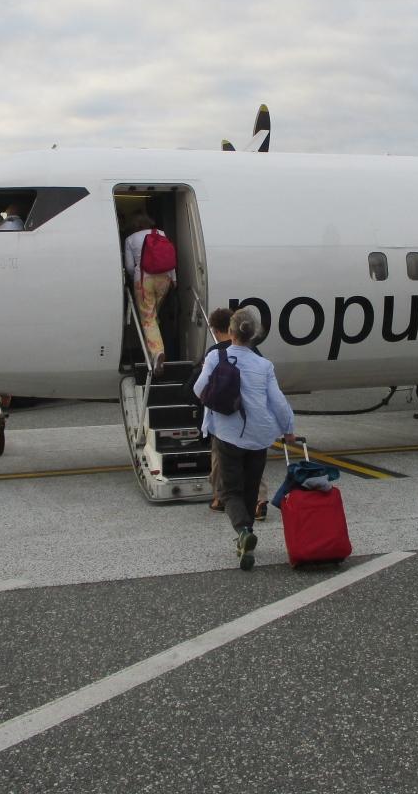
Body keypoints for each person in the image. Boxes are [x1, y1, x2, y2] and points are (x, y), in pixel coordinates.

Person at [193, 306, 296, 571]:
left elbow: (198, 388)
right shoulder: (264, 365)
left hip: (228, 433)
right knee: (250, 490)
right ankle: (246, 539)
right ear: (253, 335)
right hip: (259, 436)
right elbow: (278, 402)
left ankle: (243, 531)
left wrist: (215, 404)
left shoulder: (216, 356)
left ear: (230, 331)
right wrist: (288, 429)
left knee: (230, 491)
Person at [192, 307, 270, 518]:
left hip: (224, 416)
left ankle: (220, 497)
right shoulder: (253, 351)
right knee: (253, 462)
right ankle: (260, 500)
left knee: (220, 458)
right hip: (252, 415)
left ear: (217, 330)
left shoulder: (215, 353)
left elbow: (200, 387)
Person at [123, 211, 175, 374]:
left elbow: (130, 266)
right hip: (164, 279)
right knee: (154, 315)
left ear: (134, 225)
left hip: (144, 279)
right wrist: (173, 278)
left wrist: (133, 278)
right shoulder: (161, 233)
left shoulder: (130, 239)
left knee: (148, 319)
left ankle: (157, 352)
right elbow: (169, 257)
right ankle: (151, 351)